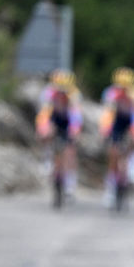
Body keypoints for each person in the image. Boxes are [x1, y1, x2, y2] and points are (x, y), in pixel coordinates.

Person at [99, 67, 134, 207]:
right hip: (117, 122)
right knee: (113, 153)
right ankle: (111, 187)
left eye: (127, 87)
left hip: (131, 122)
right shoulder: (110, 93)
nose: (124, 90)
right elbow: (107, 114)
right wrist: (105, 130)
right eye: (121, 87)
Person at [34, 68, 83, 198]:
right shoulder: (48, 93)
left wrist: (75, 131)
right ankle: (46, 158)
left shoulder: (74, 94)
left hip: (68, 121)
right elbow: (44, 114)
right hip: (54, 119)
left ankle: (70, 182)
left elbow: (76, 116)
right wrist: (43, 129)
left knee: (70, 151)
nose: (62, 92)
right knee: (47, 133)